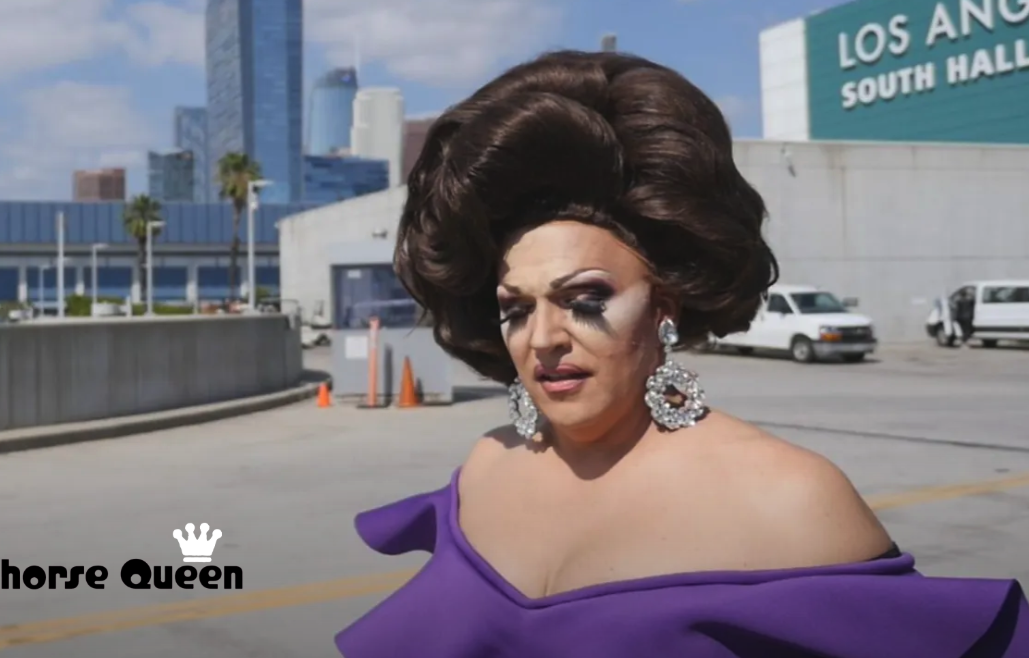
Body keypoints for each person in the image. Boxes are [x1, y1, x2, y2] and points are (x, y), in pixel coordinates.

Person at [334, 51, 1027, 657]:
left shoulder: (789, 498)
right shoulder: (486, 467)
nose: (542, 336)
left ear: (665, 305)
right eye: (516, 307)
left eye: (584, 298)